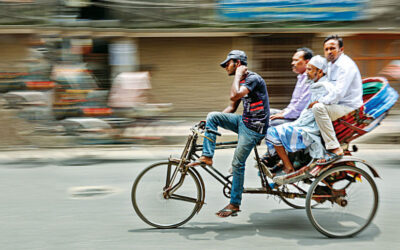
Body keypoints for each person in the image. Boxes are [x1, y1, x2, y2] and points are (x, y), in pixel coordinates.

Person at [188, 50, 270, 218]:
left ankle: (234, 204)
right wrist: (212, 123)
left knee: (237, 164)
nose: (226, 67)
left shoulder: (252, 79)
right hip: (244, 122)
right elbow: (232, 107)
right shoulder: (242, 81)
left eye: (228, 63)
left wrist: (238, 75)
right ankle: (207, 156)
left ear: (238, 64)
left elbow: (234, 95)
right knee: (212, 116)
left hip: (254, 129)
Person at [266, 55, 336, 177]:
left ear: (319, 72)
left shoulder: (322, 87)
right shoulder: (316, 85)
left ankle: (288, 166)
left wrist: (294, 123)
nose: (307, 73)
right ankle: (283, 161)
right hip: (306, 123)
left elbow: (312, 113)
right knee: (273, 127)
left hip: (310, 128)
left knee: (271, 132)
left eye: (310, 70)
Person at [310, 35, 363, 164]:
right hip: (338, 105)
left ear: (341, 49)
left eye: (332, 48)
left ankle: (335, 148)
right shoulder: (331, 65)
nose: (329, 52)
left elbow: (338, 93)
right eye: (326, 49)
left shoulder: (345, 66)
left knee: (318, 108)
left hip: (349, 107)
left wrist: (320, 101)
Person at [269, 47, 313, 126]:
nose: (292, 63)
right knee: (266, 112)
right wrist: (284, 112)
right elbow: (294, 102)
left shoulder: (309, 79)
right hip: (292, 114)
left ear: (307, 62)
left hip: (299, 119)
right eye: (293, 60)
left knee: (270, 123)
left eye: (296, 60)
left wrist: (284, 115)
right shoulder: (301, 77)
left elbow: (301, 106)